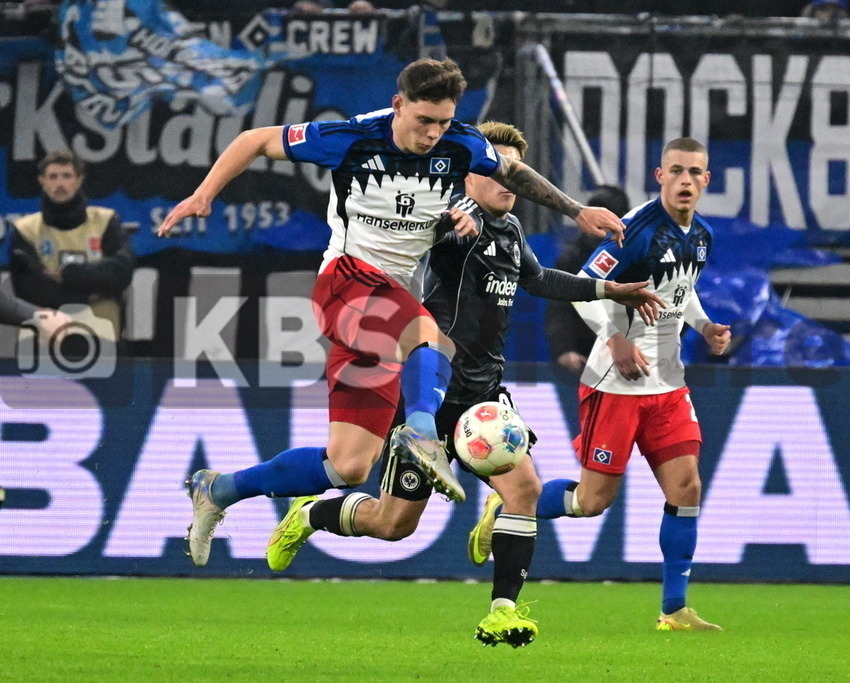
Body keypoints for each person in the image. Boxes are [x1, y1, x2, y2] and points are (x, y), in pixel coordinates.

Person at [157, 58, 626, 568]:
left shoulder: (460, 145)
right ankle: (422, 431)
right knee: (429, 336)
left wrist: (577, 211)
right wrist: (203, 195)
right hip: (346, 282)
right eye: (424, 121)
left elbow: (512, 171)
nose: (433, 134)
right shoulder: (352, 138)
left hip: (384, 314)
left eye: (443, 122)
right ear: (399, 105)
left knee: (348, 468)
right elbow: (254, 139)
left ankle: (219, 488)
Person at [262, 121, 664, 647]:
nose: (505, 183)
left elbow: (539, 279)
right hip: (431, 392)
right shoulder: (447, 216)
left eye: (512, 176)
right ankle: (312, 512)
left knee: (524, 490)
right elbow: (429, 237)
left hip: (483, 394)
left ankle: (502, 611)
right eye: (493, 170)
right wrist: (449, 225)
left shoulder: (511, 231)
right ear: (469, 174)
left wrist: (610, 289)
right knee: (392, 524)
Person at [535, 138, 731, 633]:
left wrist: (705, 326)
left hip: (667, 384)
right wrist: (616, 337)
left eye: (695, 173)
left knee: (686, 487)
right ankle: (515, 502)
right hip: (615, 382)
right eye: (676, 171)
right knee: (591, 501)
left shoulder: (701, 234)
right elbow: (583, 289)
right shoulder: (636, 231)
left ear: (707, 181)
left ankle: (674, 608)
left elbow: (680, 294)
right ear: (659, 175)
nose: (685, 180)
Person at [9, 150, 136, 341]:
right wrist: (88, 296)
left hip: (101, 333)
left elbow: (121, 272)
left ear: (78, 180)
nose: (60, 183)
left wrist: (67, 275)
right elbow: (28, 288)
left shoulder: (105, 221)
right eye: (53, 177)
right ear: (42, 181)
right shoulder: (26, 229)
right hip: (45, 333)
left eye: (67, 176)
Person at [546, 185, 631, 375]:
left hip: (633, 358)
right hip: (585, 360)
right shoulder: (572, 258)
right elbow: (559, 307)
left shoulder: (642, 255)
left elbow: (672, 302)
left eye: (608, 217)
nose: (601, 225)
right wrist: (565, 349)